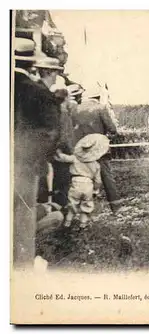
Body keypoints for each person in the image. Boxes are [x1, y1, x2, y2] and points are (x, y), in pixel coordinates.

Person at [13, 38, 63, 267]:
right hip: (23, 165)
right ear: (32, 65)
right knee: (22, 219)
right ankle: (22, 268)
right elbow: (50, 133)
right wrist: (39, 160)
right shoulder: (36, 92)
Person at [72, 84, 123, 214]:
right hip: (99, 151)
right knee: (107, 179)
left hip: (81, 152)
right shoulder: (100, 108)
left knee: (83, 180)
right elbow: (113, 130)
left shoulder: (75, 109)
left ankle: (82, 213)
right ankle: (116, 208)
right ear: (98, 96)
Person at [54, 133, 109, 228]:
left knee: (72, 204)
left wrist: (58, 152)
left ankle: (67, 223)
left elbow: (63, 158)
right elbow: (98, 181)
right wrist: (95, 191)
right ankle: (82, 225)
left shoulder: (75, 159)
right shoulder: (96, 165)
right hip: (88, 185)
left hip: (76, 182)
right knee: (86, 206)